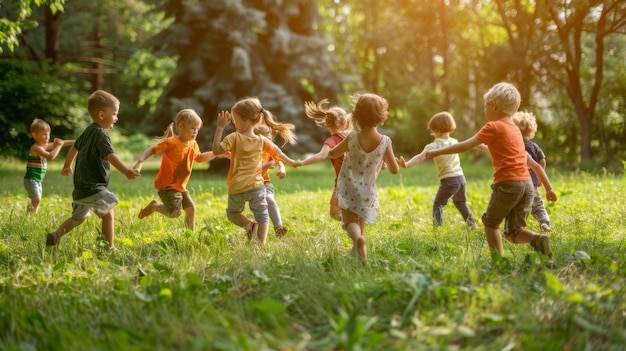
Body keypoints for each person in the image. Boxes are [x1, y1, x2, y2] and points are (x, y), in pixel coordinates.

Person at [425, 82, 558, 260]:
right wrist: (549, 189)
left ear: (492, 105)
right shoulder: (516, 131)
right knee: (513, 232)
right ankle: (538, 239)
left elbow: (463, 146)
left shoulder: (492, 126)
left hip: (508, 184)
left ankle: (498, 261)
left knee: (491, 224)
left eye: (485, 106)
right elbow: (533, 163)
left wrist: (435, 151)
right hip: (527, 186)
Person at [46, 90, 140, 251]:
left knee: (77, 218)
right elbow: (111, 156)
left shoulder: (87, 131)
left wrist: (67, 165)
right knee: (108, 213)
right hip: (94, 187)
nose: (117, 118)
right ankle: (108, 247)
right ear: (102, 115)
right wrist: (126, 171)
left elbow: (74, 148)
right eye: (115, 114)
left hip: (81, 189)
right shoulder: (101, 135)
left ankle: (56, 235)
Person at [212, 97, 300, 245]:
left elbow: (216, 151)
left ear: (246, 119)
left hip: (237, 187)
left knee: (233, 213)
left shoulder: (233, 137)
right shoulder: (262, 140)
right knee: (262, 215)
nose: (234, 123)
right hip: (257, 187)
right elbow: (278, 153)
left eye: (235, 120)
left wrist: (220, 128)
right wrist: (292, 162)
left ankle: (249, 226)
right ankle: (261, 244)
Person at [328, 92, 399, 264]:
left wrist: (332, 150)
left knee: (350, 221)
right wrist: (383, 162)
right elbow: (394, 169)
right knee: (361, 218)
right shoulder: (385, 141)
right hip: (367, 189)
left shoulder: (352, 137)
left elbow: (333, 153)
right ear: (381, 117)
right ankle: (360, 254)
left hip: (347, 185)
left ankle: (357, 241)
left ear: (356, 116)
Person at [133, 109, 216, 231]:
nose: (195, 132)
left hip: (180, 186)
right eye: (193, 128)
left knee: (191, 209)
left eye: (197, 129)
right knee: (175, 213)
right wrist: (139, 163)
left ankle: (189, 237)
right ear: (181, 126)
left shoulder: (193, 144)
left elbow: (199, 158)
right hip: (167, 185)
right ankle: (154, 207)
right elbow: (152, 150)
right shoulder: (171, 143)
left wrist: (217, 154)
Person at [396, 112, 479, 229]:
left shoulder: (434, 145)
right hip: (461, 179)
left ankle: (438, 230)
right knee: (461, 203)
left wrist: (407, 164)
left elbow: (421, 156)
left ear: (435, 129)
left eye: (432, 131)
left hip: (449, 180)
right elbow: (473, 144)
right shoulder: (454, 142)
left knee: (438, 205)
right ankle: (473, 225)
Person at [295, 99, 351, 221]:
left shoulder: (331, 141)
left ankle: (351, 223)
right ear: (345, 122)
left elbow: (321, 156)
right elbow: (350, 118)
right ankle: (353, 220)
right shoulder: (349, 135)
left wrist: (302, 162)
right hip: (356, 179)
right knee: (348, 206)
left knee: (335, 213)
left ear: (326, 123)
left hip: (343, 183)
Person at [254, 122, 297, 238]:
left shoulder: (268, 151)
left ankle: (279, 227)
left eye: (270, 139)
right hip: (252, 185)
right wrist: (265, 166)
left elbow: (279, 160)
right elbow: (249, 169)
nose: (269, 143)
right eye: (266, 140)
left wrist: (282, 169)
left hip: (266, 183)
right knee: (260, 210)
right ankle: (255, 230)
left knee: (269, 198)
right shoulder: (251, 152)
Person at [511, 111, 552, 232]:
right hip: (531, 183)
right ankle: (544, 222)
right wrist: (539, 177)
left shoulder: (512, 144)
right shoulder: (534, 146)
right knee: (538, 206)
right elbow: (542, 161)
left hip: (515, 182)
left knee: (516, 206)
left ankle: (516, 227)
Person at [24, 118, 74, 214]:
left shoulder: (43, 146)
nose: (47, 137)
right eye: (44, 134)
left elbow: (62, 143)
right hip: (31, 180)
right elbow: (51, 156)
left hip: (37, 180)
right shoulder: (36, 148)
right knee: (37, 199)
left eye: (48, 134)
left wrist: (76, 142)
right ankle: (29, 216)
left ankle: (30, 215)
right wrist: (58, 146)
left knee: (36, 200)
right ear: (34, 135)